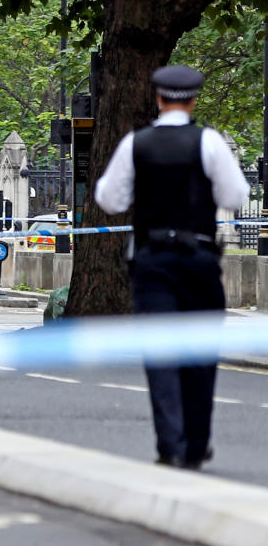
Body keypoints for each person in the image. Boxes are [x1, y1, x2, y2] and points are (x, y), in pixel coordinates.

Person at [94, 64, 249, 470]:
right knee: (200, 354)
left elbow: (109, 199)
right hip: (198, 258)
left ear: (158, 98)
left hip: (153, 261)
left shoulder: (136, 144)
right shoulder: (209, 143)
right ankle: (197, 446)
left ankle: (170, 445)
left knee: (160, 354)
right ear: (193, 99)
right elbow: (236, 195)